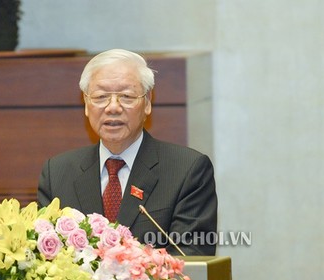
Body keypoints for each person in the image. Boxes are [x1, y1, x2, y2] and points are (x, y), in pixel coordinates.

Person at [37, 49, 217, 255]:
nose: (113, 107)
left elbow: (191, 261)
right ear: (86, 104)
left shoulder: (187, 170)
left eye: (126, 96)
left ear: (147, 102)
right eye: (101, 96)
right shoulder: (57, 173)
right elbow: (45, 257)